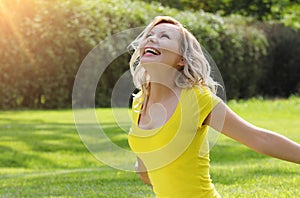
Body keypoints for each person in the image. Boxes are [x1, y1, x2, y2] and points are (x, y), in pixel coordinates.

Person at [127, 16, 300, 198]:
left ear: (182, 59)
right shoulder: (139, 102)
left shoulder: (196, 99)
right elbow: (145, 168)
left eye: (165, 36)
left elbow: (258, 138)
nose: (152, 38)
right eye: (150, 35)